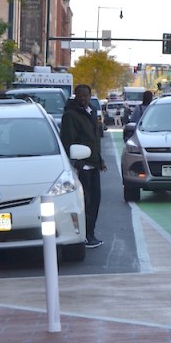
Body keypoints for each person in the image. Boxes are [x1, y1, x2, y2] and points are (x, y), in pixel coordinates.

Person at [60, 84, 107, 249]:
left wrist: (100, 160)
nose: (83, 98)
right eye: (80, 95)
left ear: (90, 96)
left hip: (94, 164)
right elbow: (67, 141)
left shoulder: (92, 111)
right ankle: (85, 235)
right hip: (82, 167)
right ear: (75, 96)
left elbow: (94, 139)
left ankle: (90, 234)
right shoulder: (70, 115)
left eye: (86, 95)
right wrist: (77, 163)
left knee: (95, 201)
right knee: (85, 203)